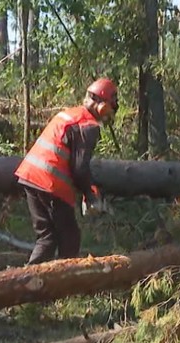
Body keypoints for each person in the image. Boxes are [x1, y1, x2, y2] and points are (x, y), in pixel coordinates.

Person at [14, 77, 119, 265]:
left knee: (47, 237)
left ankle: (29, 283)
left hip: (30, 176)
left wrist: (87, 189)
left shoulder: (70, 114)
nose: (109, 113)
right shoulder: (88, 126)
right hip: (50, 183)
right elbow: (79, 168)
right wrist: (90, 193)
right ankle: (64, 286)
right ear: (102, 105)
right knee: (70, 239)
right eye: (111, 107)